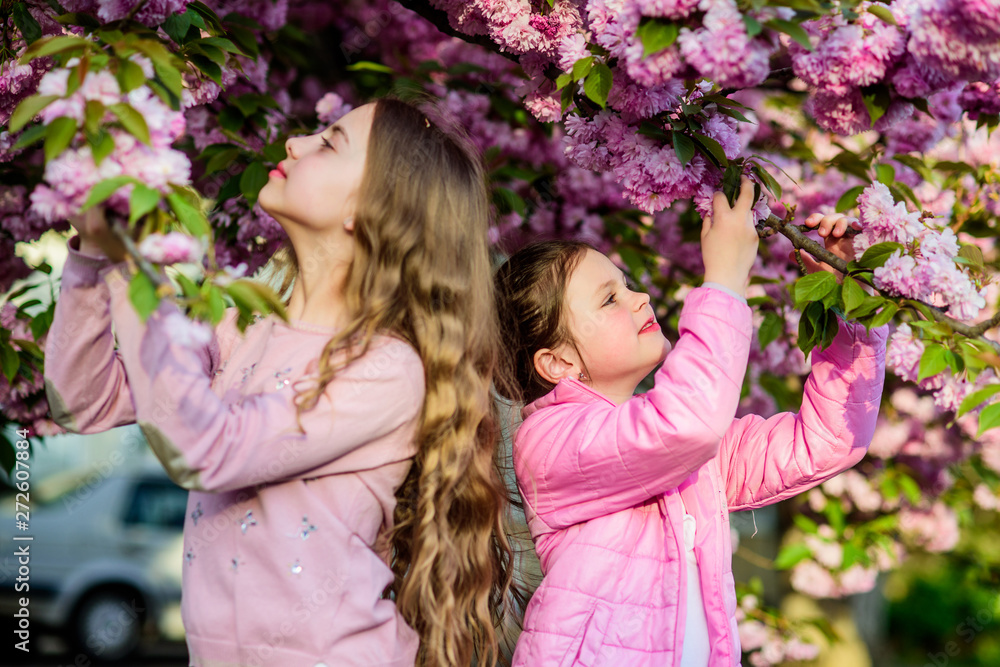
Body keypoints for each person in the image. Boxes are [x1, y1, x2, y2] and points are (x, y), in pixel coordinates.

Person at [44, 98, 516, 667]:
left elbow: (207, 450)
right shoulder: (237, 329)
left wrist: (132, 267)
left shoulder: (386, 367)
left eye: (330, 143)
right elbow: (84, 401)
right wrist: (96, 257)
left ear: (369, 209)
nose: (295, 143)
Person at [493, 179, 888, 666]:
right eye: (609, 299)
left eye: (626, 284)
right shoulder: (549, 444)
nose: (640, 297)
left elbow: (826, 441)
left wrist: (845, 304)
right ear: (558, 363)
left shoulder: (682, 450)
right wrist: (723, 280)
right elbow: (681, 425)